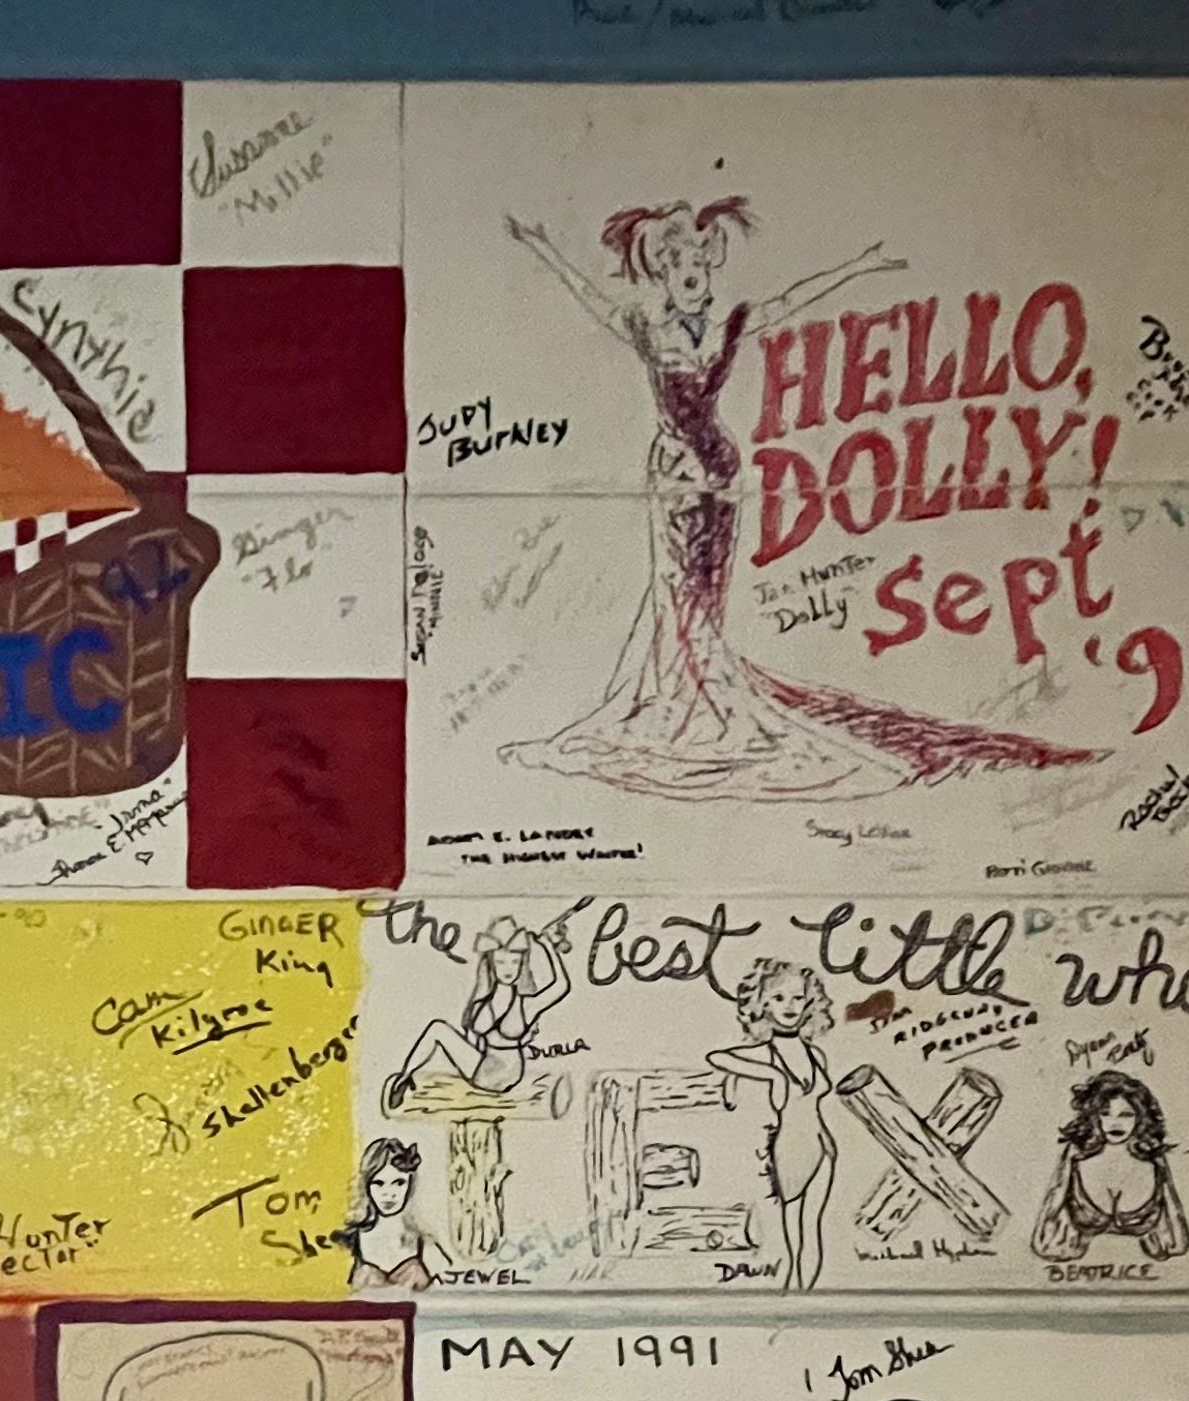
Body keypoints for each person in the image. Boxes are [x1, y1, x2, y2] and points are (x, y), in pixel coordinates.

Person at [500, 200, 1095, 801]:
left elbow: (790, 302)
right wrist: (545, 247)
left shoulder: (729, 325)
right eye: (678, 264)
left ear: (708, 271)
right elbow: (593, 303)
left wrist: (858, 268)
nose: (689, 274)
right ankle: (681, 691)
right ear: (662, 274)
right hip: (675, 473)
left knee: (706, 589)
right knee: (674, 587)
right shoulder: (647, 329)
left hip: (721, 475)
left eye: (698, 265)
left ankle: (702, 684)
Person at [706, 960, 840, 1289]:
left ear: (810, 1001)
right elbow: (716, 1056)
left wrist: (827, 1142)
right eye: (779, 998)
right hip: (790, 1152)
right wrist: (772, 1074)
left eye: (797, 997)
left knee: (814, 1232)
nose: (790, 1006)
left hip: (822, 1148)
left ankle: (807, 1303)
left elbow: (814, 1105)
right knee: (794, 1237)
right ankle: (792, 1299)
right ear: (762, 1004)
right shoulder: (766, 1054)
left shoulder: (815, 1055)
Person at [381, 913, 567, 1113]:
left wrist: (548, 947)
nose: (508, 969)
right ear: (491, 965)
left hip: (507, 1074)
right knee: (437, 1028)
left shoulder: (525, 1006)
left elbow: (562, 986)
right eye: (501, 962)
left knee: (438, 1029)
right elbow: (473, 1040)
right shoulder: (481, 1004)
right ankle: (404, 1076)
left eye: (514, 962)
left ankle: (405, 1076)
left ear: (522, 965)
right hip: (485, 1074)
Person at [1031, 1069, 1189, 1266]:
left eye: (1126, 1115)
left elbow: (1176, 1241)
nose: (1115, 1123)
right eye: (1106, 1114)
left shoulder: (1153, 1158)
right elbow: (1047, 1239)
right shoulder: (1076, 1156)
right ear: (1094, 1117)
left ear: (1140, 1118)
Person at [342, 1137, 438, 1291]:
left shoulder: (424, 1243)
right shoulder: (352, 1240)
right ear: (366, 1186)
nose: (389, 1194)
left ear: (410, 1185)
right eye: (379, 1183)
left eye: (399, 1183)